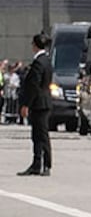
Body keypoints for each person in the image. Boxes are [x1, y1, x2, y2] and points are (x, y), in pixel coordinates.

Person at [17, 33, 52, 177]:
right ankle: (36, 164)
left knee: (41, 135)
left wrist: (26, 104)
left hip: (39, 103)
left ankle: (46, 164)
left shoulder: (39, 62)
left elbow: (34, 86)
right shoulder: (46, 60)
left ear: (35, 45)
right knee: (37, 135)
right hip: (42, 102)